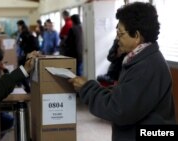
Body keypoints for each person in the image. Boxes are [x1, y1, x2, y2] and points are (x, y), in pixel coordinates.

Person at [69, 2, 175, 141]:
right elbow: (126, 94)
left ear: (136, 36)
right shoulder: (141, 58)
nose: (117, 38)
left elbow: (119, 109)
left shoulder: (147, 66)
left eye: (120, 33)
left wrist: (86, 88)